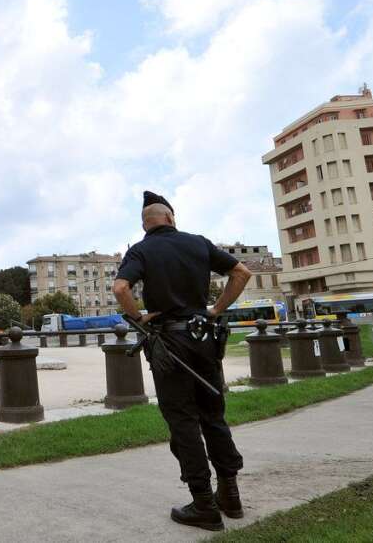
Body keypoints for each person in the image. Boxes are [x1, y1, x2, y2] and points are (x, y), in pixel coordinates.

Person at [112, 191, 252, 532]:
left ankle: (204, 504)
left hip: (170, 345)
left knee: (183, 421)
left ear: (145, 225)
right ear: (171, 218)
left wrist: (140, 318)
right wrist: (217, 309)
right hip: (205, 339)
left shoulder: (141, 250)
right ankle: (230, 496)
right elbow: (242, 273)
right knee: (213, 415)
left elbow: (120, 288)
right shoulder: (198, 243)